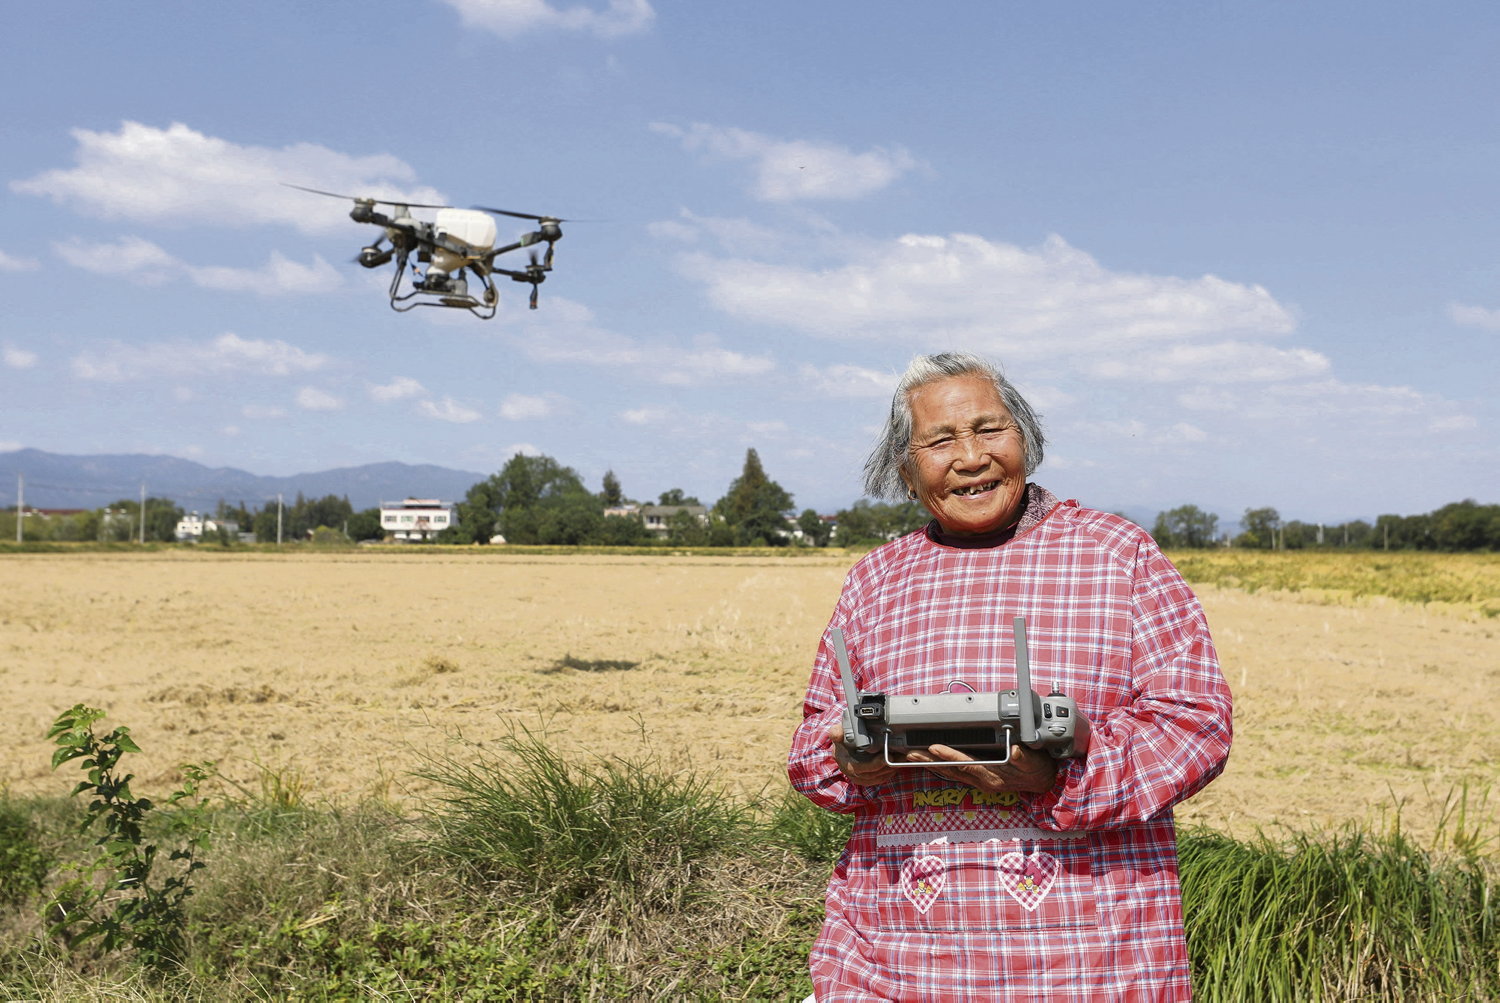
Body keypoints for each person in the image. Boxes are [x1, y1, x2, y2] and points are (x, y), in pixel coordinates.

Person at [788, 351, 1232, 1001]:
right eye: (940, 440)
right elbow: (809, 746)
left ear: (1028, 441)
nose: (971, 457)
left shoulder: (1118, 555)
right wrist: (853, 758)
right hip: (894, 965)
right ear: (907, 474)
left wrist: (1060, 776)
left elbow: (1195, 725)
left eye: (990, 429)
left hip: (1092, 965)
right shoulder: (874, 581)